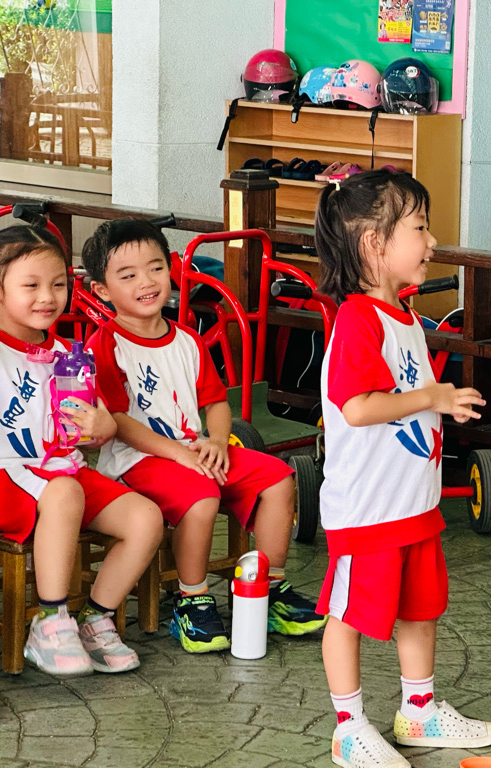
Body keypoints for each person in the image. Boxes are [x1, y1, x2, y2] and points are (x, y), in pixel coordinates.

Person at [314, 169, 491, 768]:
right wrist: (432, 397)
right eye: (420, 228)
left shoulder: (404, 317)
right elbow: (357, 407)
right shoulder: (358, 320)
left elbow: (404, 399)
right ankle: (348, 728)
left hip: (413, 507)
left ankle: (417, 711)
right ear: (375, 243)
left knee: (421, 609)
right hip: (368, 511)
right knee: (348, 616)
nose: (431, 241)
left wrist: (440, 403)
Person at [82, 219, 326, 653]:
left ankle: (269, 590)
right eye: (128, 275)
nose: (146, 282)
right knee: (202, 495)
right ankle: (191, 600)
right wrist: (179, 454)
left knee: (277, 479)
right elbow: (117, 420)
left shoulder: (189, 341)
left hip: (193, 451)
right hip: (138, 462)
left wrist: (216, 441)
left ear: (172, 269)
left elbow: (216, 403)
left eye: (156, 268)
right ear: (101, 290)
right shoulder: (105, 344)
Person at [0, 225, 163, 678]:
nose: (48, 297)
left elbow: (98, 424)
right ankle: (50, 621)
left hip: (63, 477)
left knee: (145, 518)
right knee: (64, 492)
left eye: (58, 284)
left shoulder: (69, 353)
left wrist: (101, 427)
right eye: (32, 285)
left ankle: (94, 619)